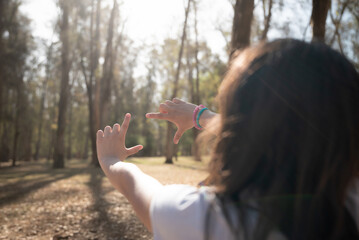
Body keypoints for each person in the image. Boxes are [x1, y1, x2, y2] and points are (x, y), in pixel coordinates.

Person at [96, 39, 359, 240]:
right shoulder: (351, 202)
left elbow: (135, 185)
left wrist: (111, 160)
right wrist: (201, 116)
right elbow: (297, 129)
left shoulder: (203, 219)